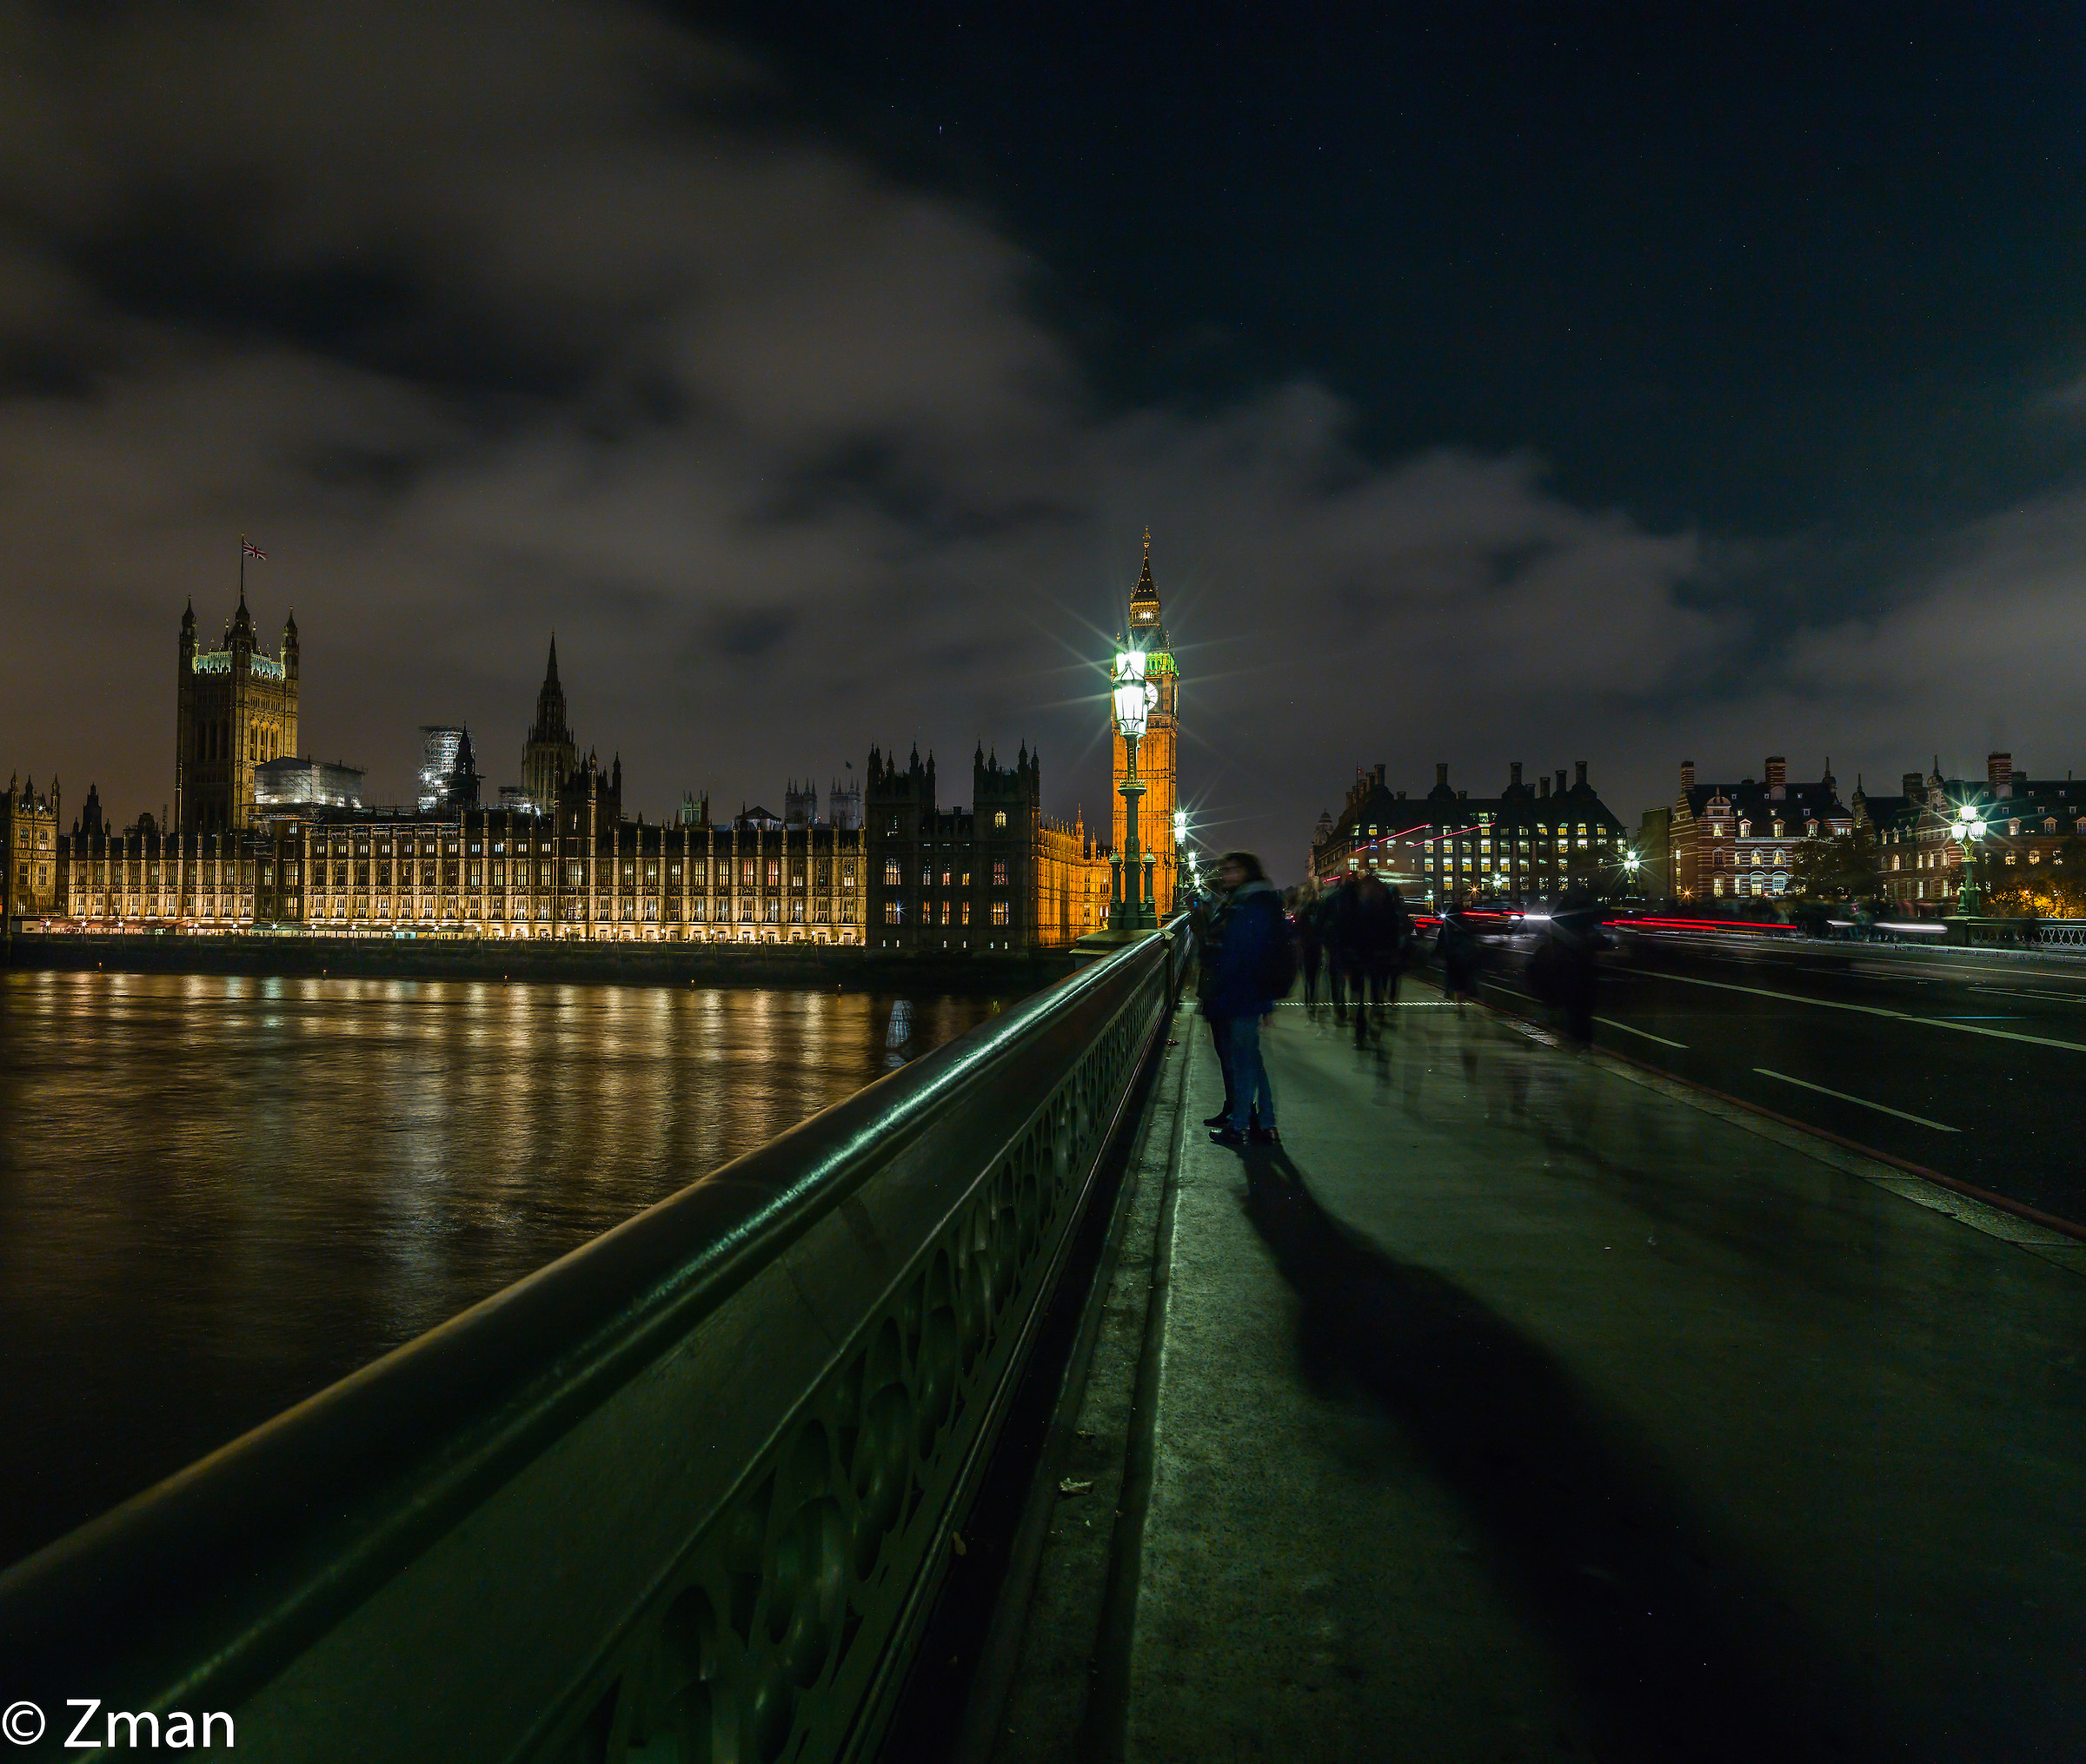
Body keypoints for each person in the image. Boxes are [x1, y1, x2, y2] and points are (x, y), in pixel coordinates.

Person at [1208, 851, 1281, 1145]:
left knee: (1245, 1062)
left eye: (1230, 869)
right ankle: (1266, 1124)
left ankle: (1239, 1127)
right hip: (1245, 993)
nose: (1224, 874)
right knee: (1253, 1060)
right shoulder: (1250, 900)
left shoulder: (1250, 904)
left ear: (1245, 872)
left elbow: (1252, 955)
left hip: (1242, 994)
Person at [1188, 878, 1239, 1129]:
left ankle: (1240, 1117)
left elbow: (1215, 946)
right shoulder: (1223, 909)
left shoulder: (1235, 910)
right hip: (1218, 990)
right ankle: (1234, 1109)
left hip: (1227, 991)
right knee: (1227, 1053)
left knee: (1232, 1055)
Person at [1548, 888, 1609, 1045]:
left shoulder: (1564, 924)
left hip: (1569, 968)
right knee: (1582, 1010)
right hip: (1581, 969)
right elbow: (1597, 941)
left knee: (1573, 1009)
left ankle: (1574, 1039)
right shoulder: (1584, 928)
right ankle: (1581, 1041)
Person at [1436, 901, 1482, 1006]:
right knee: (1462, 980)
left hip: (1451, 956)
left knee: (1451, 976)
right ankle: (1461, 1002)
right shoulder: (1464, 922)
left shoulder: (1447, 924)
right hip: (1463, 956)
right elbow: (1471, 937)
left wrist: (1438, 951)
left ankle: (1450, 992)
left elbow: (1441, 938)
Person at [1295, 877, 1325, 1011]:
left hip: (1306, 947)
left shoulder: (1301, 911)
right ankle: (1312, 1000)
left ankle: (1309, 1001)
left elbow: (1297, 931)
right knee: (1313, 978)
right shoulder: (1318, 908)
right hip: (1315, 947)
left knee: (1308, 977)